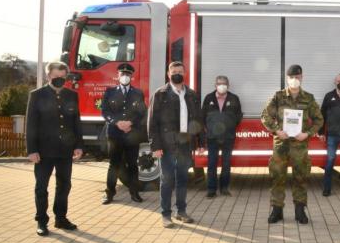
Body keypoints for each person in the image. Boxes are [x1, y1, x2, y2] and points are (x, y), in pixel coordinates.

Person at [25, 61, 83, 236]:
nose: (60, 80)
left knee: (64, 185)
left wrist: (78, 145)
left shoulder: (71, 95)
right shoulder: (37, 95)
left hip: (65, 150)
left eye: (63, 77)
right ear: (49, 75)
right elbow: (31, 124)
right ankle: (41, 221)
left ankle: (61, 218)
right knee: (41, 187)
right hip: (43, 151)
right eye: (56, 76)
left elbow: (76, 122)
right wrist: (32, 150)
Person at [261, 65, 324, 224]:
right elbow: (265, 116)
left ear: (301, 77)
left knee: (301, 178)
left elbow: (319, 120)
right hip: (281, 144)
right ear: (287, 78)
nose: (294, 80)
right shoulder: (278, 96)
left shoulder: (308, 98)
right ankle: (276, 210)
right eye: (291, 77)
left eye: (297, 77)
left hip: (299, 145)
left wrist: (307, 134)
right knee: (277, 177)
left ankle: (300, 210)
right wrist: (276, 130)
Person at [149, 61, 203, 228]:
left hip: (185, 144)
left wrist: (200, 142)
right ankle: (166, 215)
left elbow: (197, 120)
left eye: (180, 71)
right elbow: (152, 123)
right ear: (168, 74)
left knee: (182, 179)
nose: (177, 74)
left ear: (184, 74)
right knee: (167, 181)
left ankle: (181, 211)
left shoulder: (192, 95)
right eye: (174, 71)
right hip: (167, 145)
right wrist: (155, 146)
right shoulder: (160, 94)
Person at [100, 63, 146, 205]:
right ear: (118, 76)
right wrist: (117, 122)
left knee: (132, 164)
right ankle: (109, 192)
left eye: (128, 75)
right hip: (115, 134)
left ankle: (134, 192)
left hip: (132, 134)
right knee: (114, 164)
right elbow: (105, 112)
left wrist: (130, 123)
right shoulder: (110, 92)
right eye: (122, 74)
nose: (125, 77)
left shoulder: (137, 93)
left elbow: (142, 113)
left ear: (131, 76)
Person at [201, 75, 243, 198]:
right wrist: (208, 128)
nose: (221, 85)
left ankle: (224, 188)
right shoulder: (209, 98)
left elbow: (238, 115)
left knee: (226, 163)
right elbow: (203, 116)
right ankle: (211, 190)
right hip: (212, 137)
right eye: (219, 83)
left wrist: (230, 125)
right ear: (215, 85)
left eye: (224, 83)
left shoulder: (234, 98)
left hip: (228, 136)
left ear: (228, 85)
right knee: (212, 163)